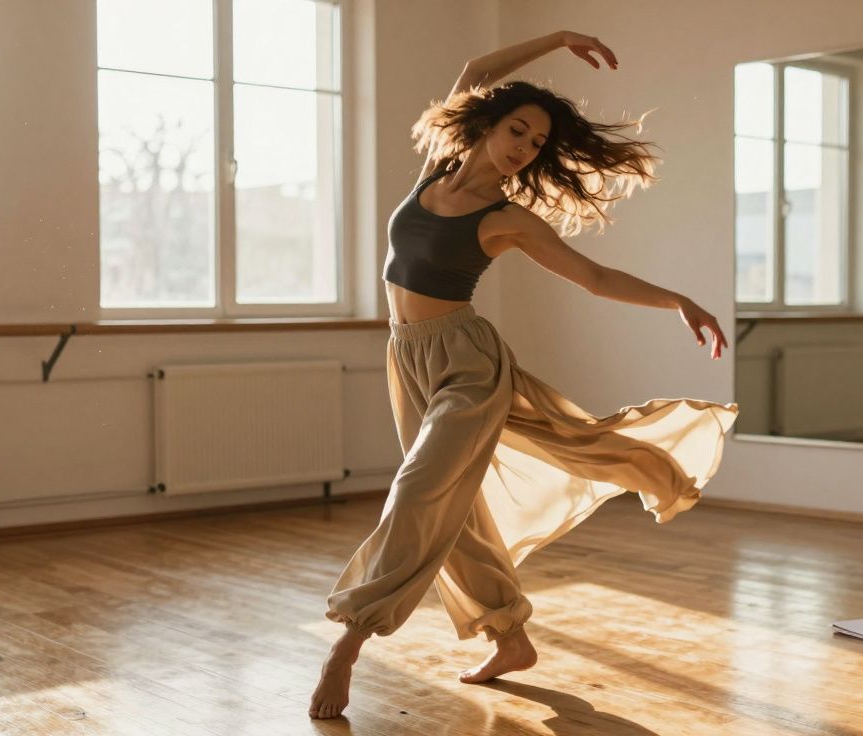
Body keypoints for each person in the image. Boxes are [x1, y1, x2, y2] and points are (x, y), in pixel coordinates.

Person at [309, 30, 739, 720]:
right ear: (486, 123)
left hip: (467, 367)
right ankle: (509, 638)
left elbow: (595, 277)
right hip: (406, 358)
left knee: (418, 491)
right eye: (517, 130)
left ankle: (349, 642)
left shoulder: (509, 218)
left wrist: (678, 301)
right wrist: (560, 39)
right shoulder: (435, 171)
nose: (524, 148)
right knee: (455, 512)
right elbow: (475, 67)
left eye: (537, 143)